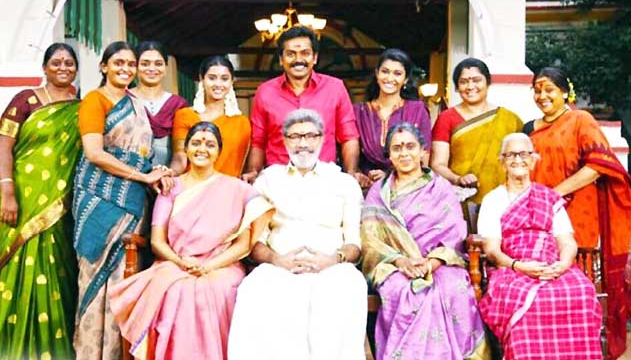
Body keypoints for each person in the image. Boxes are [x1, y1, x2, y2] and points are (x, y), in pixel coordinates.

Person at [108, 122, 273, 360]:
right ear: (186, 149)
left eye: (210, 144)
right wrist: (181, 262)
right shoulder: (171, 187)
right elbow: (157, 242)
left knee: (217, 289)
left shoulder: (235, 189)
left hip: (222, 266)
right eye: (196, 143)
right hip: (175, 263)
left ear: (219, 151)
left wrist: (209, 266)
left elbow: (242, 245)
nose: (202, 149)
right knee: (178, 290)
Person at [228, 109, 367, 360]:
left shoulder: (344, 183)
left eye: (310, 136)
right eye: (295, 136)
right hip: (279, 267)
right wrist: (276, 259)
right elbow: (256, 242)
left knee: (348, 286)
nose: (303, 143)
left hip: (332, 267)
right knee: (254, 288)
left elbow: (354, 245)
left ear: (322, 138)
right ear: (285, 141)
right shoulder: (268, 181)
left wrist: (332, 259)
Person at [72, 41, 172, 360]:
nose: (126, 69)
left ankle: (118, 353)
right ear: (104, 67)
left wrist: (156, 172)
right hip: (97, 199)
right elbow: (94, 153)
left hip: (132, 203)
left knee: (125, 278)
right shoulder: (94, 100)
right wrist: (141, 176)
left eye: (131, 64)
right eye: (118, 63)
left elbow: (143, 155)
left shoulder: (136, 103)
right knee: (93, 278)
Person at [524, 67, 631, 359]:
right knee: (542, 277)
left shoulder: (581, 120)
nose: (542, 96)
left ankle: (578, 344)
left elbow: (598, 165)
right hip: (539, 214)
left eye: (549, 89)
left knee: (575, 277)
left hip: (578, 212)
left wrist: (555, 193)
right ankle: (545, 344)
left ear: (564, 92)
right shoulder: (528, 128)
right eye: (537, 90)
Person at [361, 122, 489, 360]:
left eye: (410, 146)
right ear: (389, 155)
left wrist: (430, 263)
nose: (404, 153)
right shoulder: (379, 193)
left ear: (423, 151)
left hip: (440, 263)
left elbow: (454, 234)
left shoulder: (440, 188)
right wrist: (401, 262)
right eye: (397, 148)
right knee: (400, 290)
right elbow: (371, 240)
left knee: (452, 288)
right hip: (395, 265)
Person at [477, 133, 603, 360]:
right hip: (512, 269)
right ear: (502, 162)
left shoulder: (548, 197)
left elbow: (567, 241)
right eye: (511, 155)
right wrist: (519, 266)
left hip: (553, 266)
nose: (518, 160)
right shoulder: (493, 200)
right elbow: (492, 250)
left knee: (581, 292)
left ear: (533, 160)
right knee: (522, 299)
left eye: (523, 154)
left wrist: (562, 265)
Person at [0, 43, 81, 359]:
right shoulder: (25, 100)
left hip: (62, 207)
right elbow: (4, 145)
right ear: (45, 67)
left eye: (69, 63)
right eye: (56, 62)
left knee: (59, 270)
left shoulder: (82, 107)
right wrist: (7, 192)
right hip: (22, 200)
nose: (63, 67)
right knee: (16, 265)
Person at [242, 26, 360, 182]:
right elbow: (258, 142)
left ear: (315, 58)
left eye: (305, 53)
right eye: (291, 54)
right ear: (281, 59)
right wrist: (253, 172)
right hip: (278, 180)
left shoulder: (335, 88)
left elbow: (349, 137)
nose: (298, 60)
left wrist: (351, 174)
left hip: (324, 179)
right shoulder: (265, 92)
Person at [431, 57, 523, 204]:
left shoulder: (510, 119)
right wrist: (458, 179)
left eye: (476, 80)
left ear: (488, 82)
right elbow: (437, 164)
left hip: (505, 198)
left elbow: (523, 161)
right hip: (461, 199)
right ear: (457, 87)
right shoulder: (446, 118)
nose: (470, 86)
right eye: (463, 82)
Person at [353, 48, 432, 188]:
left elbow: (423, 161)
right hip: (367, 189)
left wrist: (390, 177)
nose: (390, 78)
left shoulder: (418, 110)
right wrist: (359, 175)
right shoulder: (359, 112)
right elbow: (351, 155)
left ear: (405, 79)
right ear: (377, 74)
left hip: (408, 189)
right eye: (385, 71)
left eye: (397, 73)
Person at [171, 55, 250, 177]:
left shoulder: (242, 123)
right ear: (202, 79)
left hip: (229, 187)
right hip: (192, 186)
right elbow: (180, 157)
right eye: (212, 78)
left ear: (232, 81)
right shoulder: (185, 116)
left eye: (224, 79)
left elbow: (242, 165)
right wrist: (170, 173)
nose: (218, 84)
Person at [129, 41, 188, 166]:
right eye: (145, 64)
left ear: (165, 68)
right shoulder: (124, 99)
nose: (152, 69)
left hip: (169, 173)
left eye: (158, 64)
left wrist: (169, 173)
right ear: (135, 67)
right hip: (127, 173)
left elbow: (181, 153)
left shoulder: (178, 104)